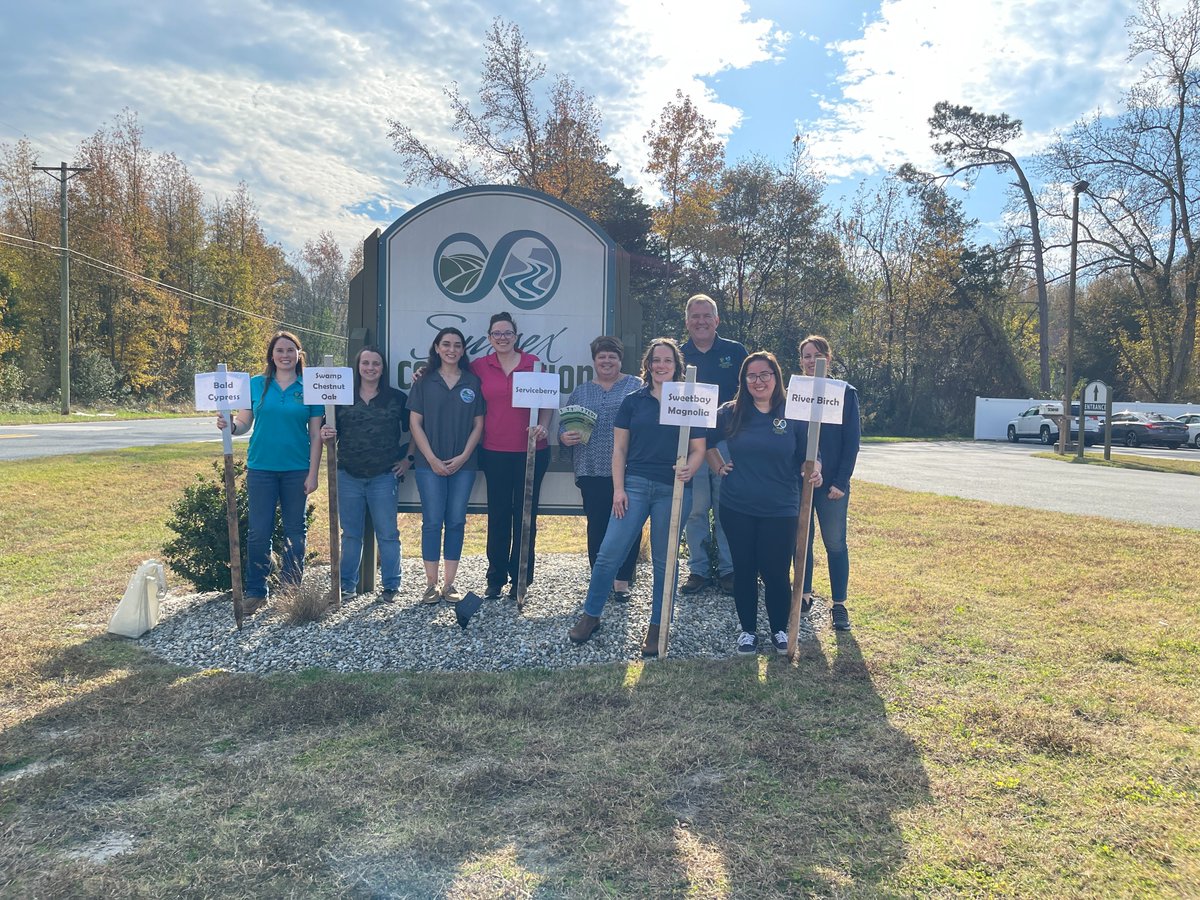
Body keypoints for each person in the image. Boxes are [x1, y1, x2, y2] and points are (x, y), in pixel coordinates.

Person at [568, 338, 707, 657]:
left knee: (664, 561)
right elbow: (619, 449)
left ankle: (658, 627)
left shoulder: (689, 401)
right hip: (635, 484)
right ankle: (591, 615)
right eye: (656, 360)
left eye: (667, 361)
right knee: (608, 553)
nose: (661, 366)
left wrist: (691, 468)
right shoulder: (633, 401)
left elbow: (698, 449)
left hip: (673, 489)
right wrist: (618, 488)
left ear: (677, 366)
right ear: (648, 364)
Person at [708, 351, 823, 654]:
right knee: (744, 570)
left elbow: (809, 454)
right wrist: (718, 465)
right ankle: (747, 632)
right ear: (743, 381)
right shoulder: (729, 412)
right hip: (737, 506)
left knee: (775, 572)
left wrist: (814, 469)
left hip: (781, 507)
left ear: (776, 377)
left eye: (765, 375)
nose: (758, 381)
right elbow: (702, 440)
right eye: (751, 376)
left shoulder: (794, 412)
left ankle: (779, 630)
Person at [216, 330, 323, 613]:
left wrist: (313, 474)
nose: (285, 355)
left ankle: (291, 589)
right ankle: (256, 590)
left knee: (295, 531)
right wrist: (231, 426)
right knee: (258, 532)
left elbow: (316, 435)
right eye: (280, 350)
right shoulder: (255, 385)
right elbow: (244, 422)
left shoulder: (309, 386)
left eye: (291, 350)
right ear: (271, 355)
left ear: (299, 355)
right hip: (261, 467)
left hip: (296, 469)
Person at [470, 311, 553, 599]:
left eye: (507, 333)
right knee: (499, 514)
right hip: (493, 451)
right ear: (489, 338)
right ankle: (495, 577)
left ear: (516, 337)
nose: (502, 338)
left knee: (526, 514)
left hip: (532, 452)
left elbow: (547, 404)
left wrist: (543, 427)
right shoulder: (479, 366)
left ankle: (521, 578)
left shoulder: (534, 365)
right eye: (497, 333)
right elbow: (449, 376)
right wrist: (422, 373)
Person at [318, 346, 410, 602]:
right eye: (366, 363)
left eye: (376, 363)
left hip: (384, 475)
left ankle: (391, 585)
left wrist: (408, 459)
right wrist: (326, 435)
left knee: (388, 534)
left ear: (383, 368)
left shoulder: (397, 398)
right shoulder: (340, 396)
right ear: (357, 366)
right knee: (350, 534)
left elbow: (415, 427)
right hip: (348, 475)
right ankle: (345, 585)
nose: (371, 368)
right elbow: (326, 430)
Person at [559, 336, 644, 602]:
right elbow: (565, 424)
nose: (607, 361)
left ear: (620, 360)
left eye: (612, 356)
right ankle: (599, 578)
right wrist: (564, 436)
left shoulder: (636, 386)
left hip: (631, 468)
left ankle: (622, 581)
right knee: (597, 525)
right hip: (591, 468)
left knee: (628, 525)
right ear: (594, 360)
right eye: (601, 356)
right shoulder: (581, 391)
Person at [408, 327, 486, 604]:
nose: (451, 349)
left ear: (463, 350)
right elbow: (414, 423)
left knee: (455, 521)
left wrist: (465, 455)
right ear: (437, 348)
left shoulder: (472, 382)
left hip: (463, 465)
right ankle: (430, 584)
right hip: (429, 464)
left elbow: (479, 424)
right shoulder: (424, 381)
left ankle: (450, 584)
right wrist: (430, 459)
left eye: (457, 345)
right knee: (431, 522)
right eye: (446, 344)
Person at [680, 293, 748, 596]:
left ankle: (729, 570)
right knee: (695, 510)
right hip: (691, 444)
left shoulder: (735, 352)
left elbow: (749, 393)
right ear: (687, 322)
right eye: (695, 316)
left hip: (726, 443)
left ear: (717, 320)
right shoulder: (677, 355)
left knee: (725, 509)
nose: (701, 321)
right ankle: (699, 570)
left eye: (707, 315)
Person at [799, 335, 861, 631]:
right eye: (806, 356)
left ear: (828, 357)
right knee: (802, 540)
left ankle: (839, 604)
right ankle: (804, 595)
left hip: (831, 484)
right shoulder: (795, 392)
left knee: (835, 542)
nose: (811, 362)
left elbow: (852, 442)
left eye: (816, 355)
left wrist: (841, 481)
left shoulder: (845, 393)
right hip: (801, 482)